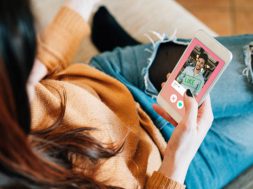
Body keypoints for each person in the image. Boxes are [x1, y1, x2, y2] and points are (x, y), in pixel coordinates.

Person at [1, 0, 253, 189]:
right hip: (180, 167)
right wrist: (178, 159)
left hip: (116, 81)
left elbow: (34, 66)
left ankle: (120, 43)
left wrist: (79, 5)